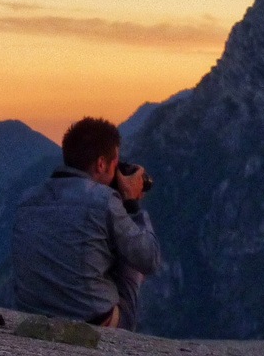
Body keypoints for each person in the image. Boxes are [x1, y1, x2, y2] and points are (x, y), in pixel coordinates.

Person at [10, 116, 162, 330]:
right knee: (132, 258)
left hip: (31, 315)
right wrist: (131, 203)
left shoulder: (28, 199)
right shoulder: (104, 200)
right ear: (101, 163)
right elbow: (150, 259)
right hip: (93, 323)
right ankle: (125, 339)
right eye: (115, 164)